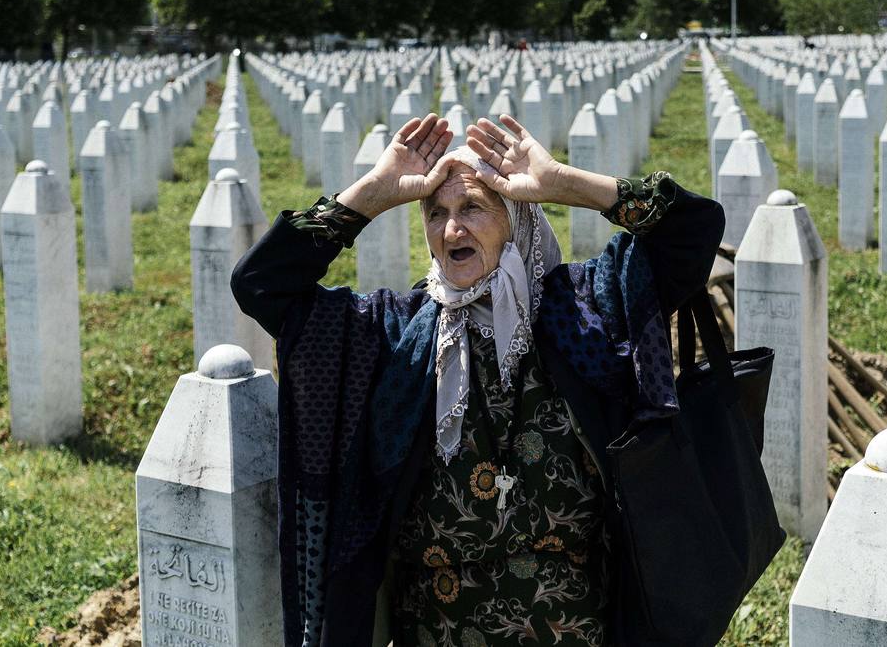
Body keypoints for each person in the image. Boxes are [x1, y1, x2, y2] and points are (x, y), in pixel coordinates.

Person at [232, 112, 725, 646]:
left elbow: (691, 231)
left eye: (472, 207)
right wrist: (373, 194)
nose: (451, 230)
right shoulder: (397, 335)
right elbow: (262, 285)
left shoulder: (583, 312)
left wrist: (562, 183)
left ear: (516, 217)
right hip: (436, 631)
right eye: (435, 213)